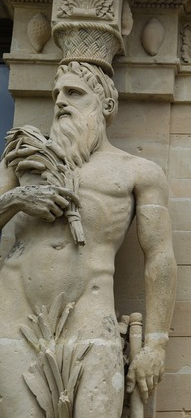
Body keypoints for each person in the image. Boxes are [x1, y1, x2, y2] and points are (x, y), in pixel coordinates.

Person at [0, 61, 176, 417]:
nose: (60, 102)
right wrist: (18, 199)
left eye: (74, 93)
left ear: (106, 105)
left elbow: (160, 257)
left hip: (91, 318)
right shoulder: (20, 161)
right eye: (57, 94)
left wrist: (155, 345)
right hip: (15, 318)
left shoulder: (136, 171)